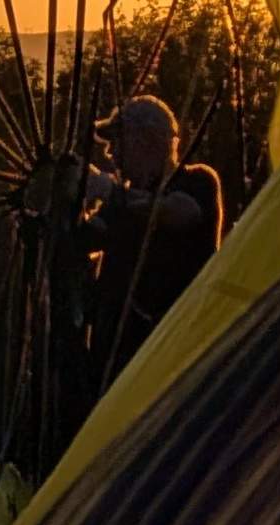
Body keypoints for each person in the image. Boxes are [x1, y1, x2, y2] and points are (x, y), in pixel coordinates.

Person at [76, 95, 224, 374]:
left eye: (117, 142)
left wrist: (110, 191)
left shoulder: (197, 181)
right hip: (112, 366)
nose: (110, 153)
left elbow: (182, 212)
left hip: (170, 356)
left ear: (146, 142)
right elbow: (86, 238)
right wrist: (68, 198)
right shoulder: (121, 203)